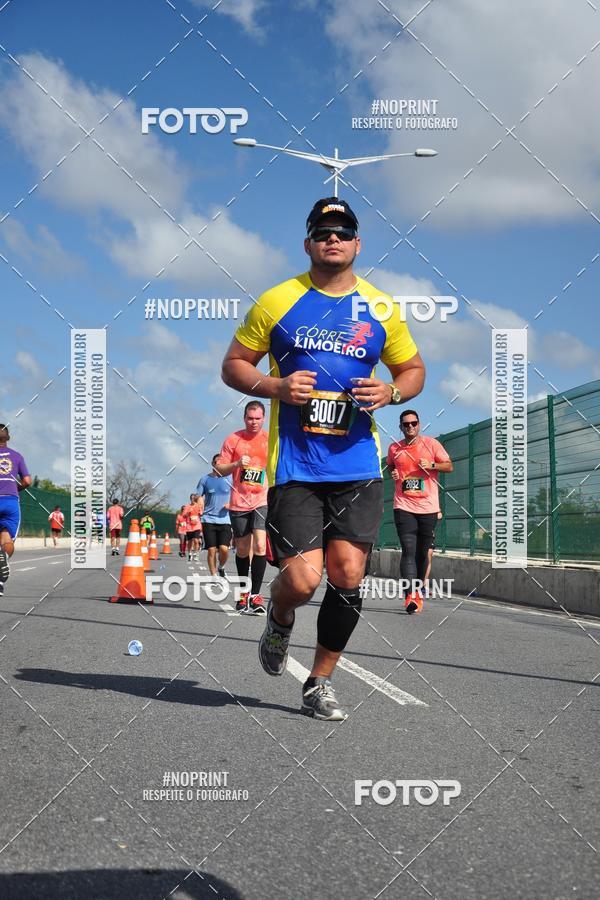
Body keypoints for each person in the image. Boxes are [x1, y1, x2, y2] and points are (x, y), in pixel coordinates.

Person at [221, 197, 425, 719]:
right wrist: (275, 384)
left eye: (343, 231)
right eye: (322, 231)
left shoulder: (381, 308)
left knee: (349, 575)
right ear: (308, 242)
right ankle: (280, 614)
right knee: (304, 580)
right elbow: (234, 364)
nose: (333, 239)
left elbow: (413, 369)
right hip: (295, 465)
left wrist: (392, 393)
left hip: (357, 465)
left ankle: (319, 681)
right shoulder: (277, 301)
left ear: (357, 243)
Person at [386, 410, 453, 613]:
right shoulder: (394, 448)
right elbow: (390, 465)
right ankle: (410, 596)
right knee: (408, 549)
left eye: (413, 423)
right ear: (400, 427)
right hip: (403, 505)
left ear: (419, 424)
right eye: (406, 424)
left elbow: (449, 466)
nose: (410, 427)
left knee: (423, 553)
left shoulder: (431, 444)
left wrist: (432, 464)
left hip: (428, 507)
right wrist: (393, 472)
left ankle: (419, 591)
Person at [216, 402, 269, 615]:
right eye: (250, 418)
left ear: (263, 418)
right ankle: (243, 593)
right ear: (244, 418)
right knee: (243, 550)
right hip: (239, 502)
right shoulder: (233, 439)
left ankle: (256, 596)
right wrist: (237, 464)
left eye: (257, 418)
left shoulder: (270, 440)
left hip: (262, 500)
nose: (253, 422)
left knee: (260, 546)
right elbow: (219, 470)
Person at [0, 424, 32, 596]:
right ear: (8, 438)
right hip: (11, 501)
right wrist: (14, 488)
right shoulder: (17, 456)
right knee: (6, 538)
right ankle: (0, 577)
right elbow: (27, 481)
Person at [196, 455, 233, 579]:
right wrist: (200, 499)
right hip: (208, 519)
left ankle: (221, 567)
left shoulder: (231, 479)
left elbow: (239, 495)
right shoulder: (205, 479)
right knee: (211, 550)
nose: (219, 465)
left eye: (222, 463)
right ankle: (213, 575)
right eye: (217, 462)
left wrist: (231, 504)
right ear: (212, 463)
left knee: (224, 549)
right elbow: (198, 495)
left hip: (225, 519)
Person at [182, 494, 202, 562]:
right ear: (190, 499)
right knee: (190, 541)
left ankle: (196, 554)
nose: (193, 500)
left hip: (197, 526)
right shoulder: (187, 506)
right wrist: (188, 512)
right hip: (189, 526)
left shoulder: (198, 506)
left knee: (196, 540)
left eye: (194, 498)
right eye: (191, 498)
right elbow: (183, 516)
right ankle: (190, 554)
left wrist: (200, 513)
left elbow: (201, 513)